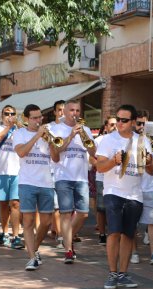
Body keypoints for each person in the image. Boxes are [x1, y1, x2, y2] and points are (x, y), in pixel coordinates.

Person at [96, 104, 153, 289]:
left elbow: (151, 170)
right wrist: (113, 161)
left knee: (128, 234)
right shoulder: (108, 140)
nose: (120, 123)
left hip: (134, 194)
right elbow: (99, 167)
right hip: (113, 191)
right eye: (118, 119)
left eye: (124, 120)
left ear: (133, 122)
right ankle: (112, 273)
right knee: (114, 231)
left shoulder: (142, 141)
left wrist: (150, 162)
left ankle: (123, 273)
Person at [49, 99, 96, 264]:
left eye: (77, 111)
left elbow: (93, 151)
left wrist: (84, 137)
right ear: (65, 112)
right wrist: (71, 135)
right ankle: (68, 250)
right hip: (63, 176)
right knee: (66, 213)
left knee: (83, 213)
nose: (74, 113)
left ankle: (66, 237)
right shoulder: (57, 129)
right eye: (71, 110)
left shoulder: (86, 130)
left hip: (81, 177)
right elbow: (57, 150)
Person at [13, 104, 57, 270]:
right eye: (34, 118)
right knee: (29, 221)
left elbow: (56, 158)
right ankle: (32, 257)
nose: (38, 120)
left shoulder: (47, 134)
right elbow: (22, 152)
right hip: (27, 182)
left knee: (46, 222)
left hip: (46, 182)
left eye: (40, 117)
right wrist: (37, 136)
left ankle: (34, 248)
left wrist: (51, 142)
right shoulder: (20, 134)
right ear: (26, 119)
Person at [131, 111, 153, 265]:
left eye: (144, 124)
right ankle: (133, 252)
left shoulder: (149, 141)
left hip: (150, 187)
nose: (141, 126)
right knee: (133, 224)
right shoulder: (128, 140)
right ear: (133, 123)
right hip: (132, 189)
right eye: (139, 123)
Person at [0, 105, 24, 249]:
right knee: (2, 204)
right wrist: (7, 128)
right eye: (6, 113)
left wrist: (18, 127)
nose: (9, 115)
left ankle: (16, 236)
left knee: (15, 204)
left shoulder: (20, 130)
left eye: (12, 113)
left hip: (17, 171)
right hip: (0, 171)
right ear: (2, 116)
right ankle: (4, 233)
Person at [91, 115, 116, 246]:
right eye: (111, 124)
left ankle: (113, 233)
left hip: (117, 179)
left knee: (113, 207)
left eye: (116, 124)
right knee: (101, 208)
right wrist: (101, 166)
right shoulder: (99, 140)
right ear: (106, 127)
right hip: (102, 178)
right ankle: (102, 234)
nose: (114, 127)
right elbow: (91, 158)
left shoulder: (121, 139)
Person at [49, 100, 65, 247]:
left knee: (63, 207)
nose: (62, 113)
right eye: (59, 110)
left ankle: (59, 231)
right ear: (54, 112)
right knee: (56, 206)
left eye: (64, 110)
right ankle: (60, 235)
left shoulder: (71, 128)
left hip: (65, 172)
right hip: (51, 170)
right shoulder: (50, 127)